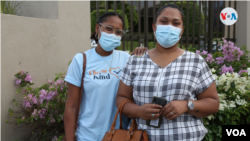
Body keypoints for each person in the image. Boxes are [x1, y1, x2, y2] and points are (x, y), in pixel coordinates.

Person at [116, 4, 219, 141]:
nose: (169, 26)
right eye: (163, 21)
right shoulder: (136, 60)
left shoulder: (196, 62)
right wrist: (139, 111)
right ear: (154, 26)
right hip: (143, 137)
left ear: (181, 30)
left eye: (175, 23)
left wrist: (187, 105)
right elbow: (121, 98)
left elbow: (213, 102)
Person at [64, 12, 147, 141]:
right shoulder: (81, 60)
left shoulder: (126, 59)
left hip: (120, 135)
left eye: (118, 32)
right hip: (87, 136)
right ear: (98, 28)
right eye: (109, 28)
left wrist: (144, 55)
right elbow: (71, 106)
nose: (113, 34)